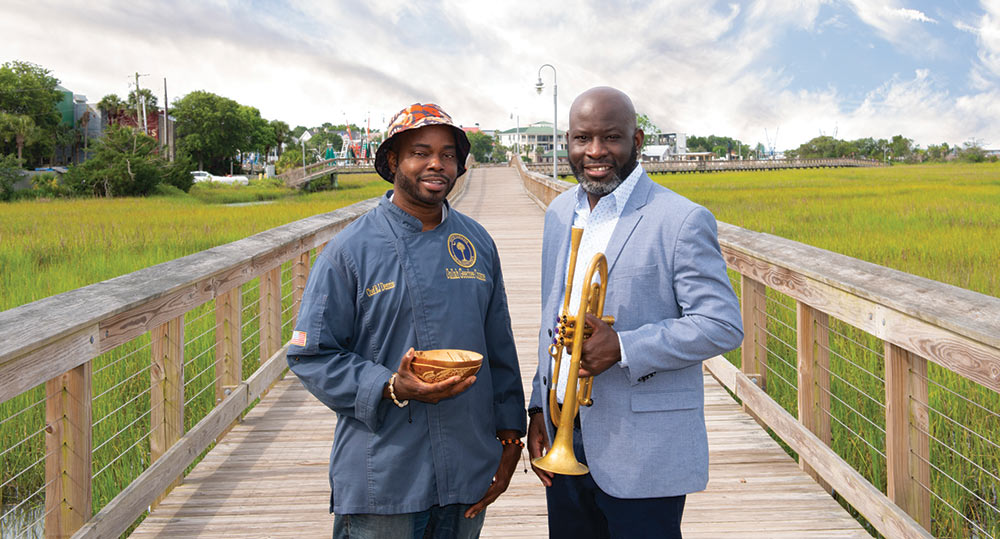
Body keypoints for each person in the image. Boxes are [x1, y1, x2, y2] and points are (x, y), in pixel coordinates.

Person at [288, 103, 526, 539]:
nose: (437, 164)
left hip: (466, 467)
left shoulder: (476, 242)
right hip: (385, 474)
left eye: (449, 154)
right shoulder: (350, 251)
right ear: (393, 160)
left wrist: (511, 437)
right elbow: (312, 354)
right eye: (421, 152)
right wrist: (389, 385)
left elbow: (499, 349)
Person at [527, 87, 744, 538]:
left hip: (643, 447)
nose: (596, 152)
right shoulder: (558, 212)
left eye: (611, 138)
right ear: (567, 141)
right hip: (564, 430)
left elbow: (722, 324)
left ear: (637, 140)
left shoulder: (680, 219)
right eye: (582, 139)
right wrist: (536, 410)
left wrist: (624, 345)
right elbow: (556, 316)